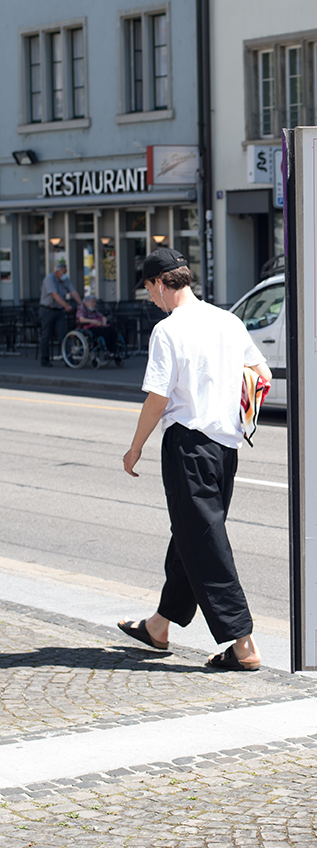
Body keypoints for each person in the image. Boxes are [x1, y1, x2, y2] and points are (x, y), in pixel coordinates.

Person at [118, 247, 272, 671]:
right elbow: (262, 376)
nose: (150, 299)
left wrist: (136, 446)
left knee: (204, 541)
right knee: (192, 533)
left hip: (188, 446)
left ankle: (243, 644)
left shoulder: (168, 330)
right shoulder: (228, 320)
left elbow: (158, 397)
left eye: (149, 289)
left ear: (160, 284)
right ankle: (159, 625)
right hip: (226, 448)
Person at [39, 261, 81, 367]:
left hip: (59, 310)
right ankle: (44, 358)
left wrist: (81, 304)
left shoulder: (65, 280)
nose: (65, 274)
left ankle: (68, 359)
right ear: (57, 271)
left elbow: (73, 291)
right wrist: (66, 305)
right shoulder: (49, 279)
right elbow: (55, 295)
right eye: (63, 272)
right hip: (47, 310)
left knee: (63, 334)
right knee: (46, 335)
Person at [76, 294, 119, 361]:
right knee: (105, 331)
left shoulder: (94, 310)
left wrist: (104, 323)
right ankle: (108, 351)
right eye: (92, 302)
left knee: (112, 330)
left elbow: (103, 317)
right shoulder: (82, 308)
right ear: (86, 302)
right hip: (88, 327)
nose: (94, 304)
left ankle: (113, 351)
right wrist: (94, 321)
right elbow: (81, 319)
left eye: (95, 302)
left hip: (97, 325)